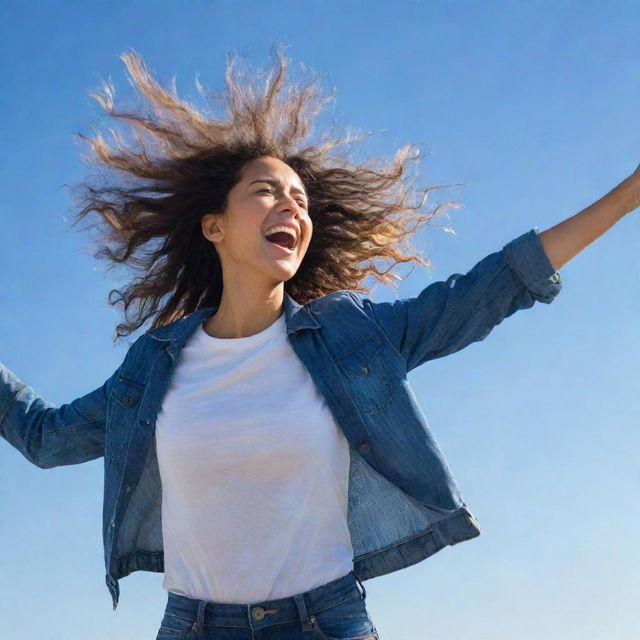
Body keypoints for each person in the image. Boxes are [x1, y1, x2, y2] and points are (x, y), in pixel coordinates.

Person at [1, 45, 638, 640]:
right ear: (214, 226)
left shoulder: (348, 337)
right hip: (192, 625)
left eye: (300, 199)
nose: (292, 207)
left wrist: (628, 196)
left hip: (324, 622)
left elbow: (487, 289)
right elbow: (47, 437)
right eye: (267, 191)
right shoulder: (156, 364)